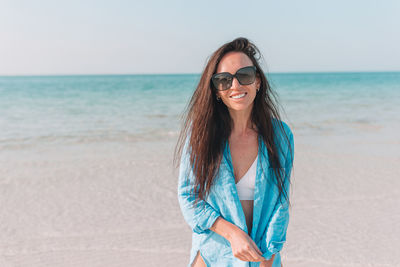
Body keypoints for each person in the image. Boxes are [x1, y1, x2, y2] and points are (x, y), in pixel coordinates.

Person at [174, 37, 294, 267]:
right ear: (217, 90)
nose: (235, 86)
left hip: (262, 257)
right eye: (224, 80)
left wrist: (267, 258)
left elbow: (281, 203)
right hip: (212, 257)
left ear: (258, 81)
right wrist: (233, 234)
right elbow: (188, 197)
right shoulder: (200, 135)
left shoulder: (281, 136)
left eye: (245, 75)